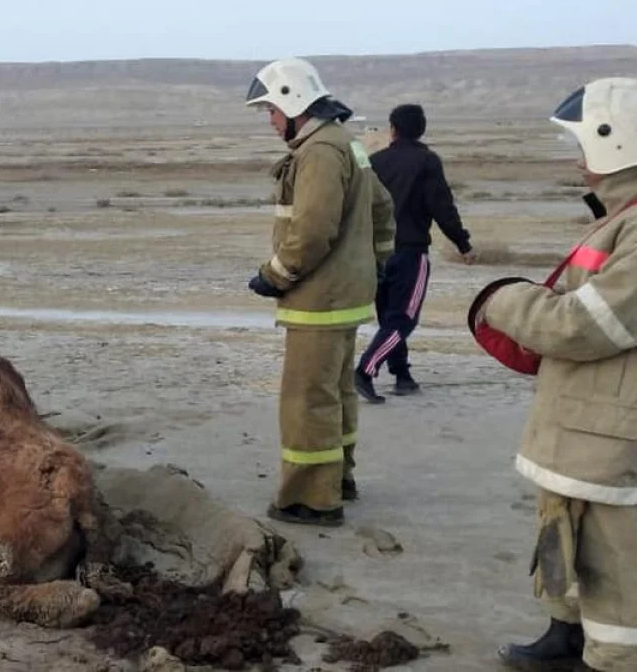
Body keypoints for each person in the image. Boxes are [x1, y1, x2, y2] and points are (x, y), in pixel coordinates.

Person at [474, 77, 637, 672]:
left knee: (616, 570)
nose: (577, 158)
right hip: (586, 426)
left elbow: (581, 326)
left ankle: (612, 660)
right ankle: (564, 637)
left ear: (612, 141)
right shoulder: (622, 216)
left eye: (583, 142)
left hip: (613, 435)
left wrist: (505, 301)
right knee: (564, 538)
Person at [244, 57, 395, 527]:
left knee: (307, 399)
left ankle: (311, 498)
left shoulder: (318, 153)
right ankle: (338, 479)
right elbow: (383, 208)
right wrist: (375, 266)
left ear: (292, 103)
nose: (270, 121)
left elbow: (312, 231)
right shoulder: (346, 145)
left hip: (318, 300)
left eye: (271, 110)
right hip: (345, 297)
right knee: (336, 392)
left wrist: (276, 273)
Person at [354, 103, 476, 403]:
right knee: (403, 319)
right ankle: (366, 370)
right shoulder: (427, 161)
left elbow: (360, 207)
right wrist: (462, 242)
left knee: (389, 317)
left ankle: (402, 375)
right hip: (410, 250)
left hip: (376, 253)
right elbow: (442, 206)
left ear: (392, 129)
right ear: (421, 129)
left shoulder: (376, 161)